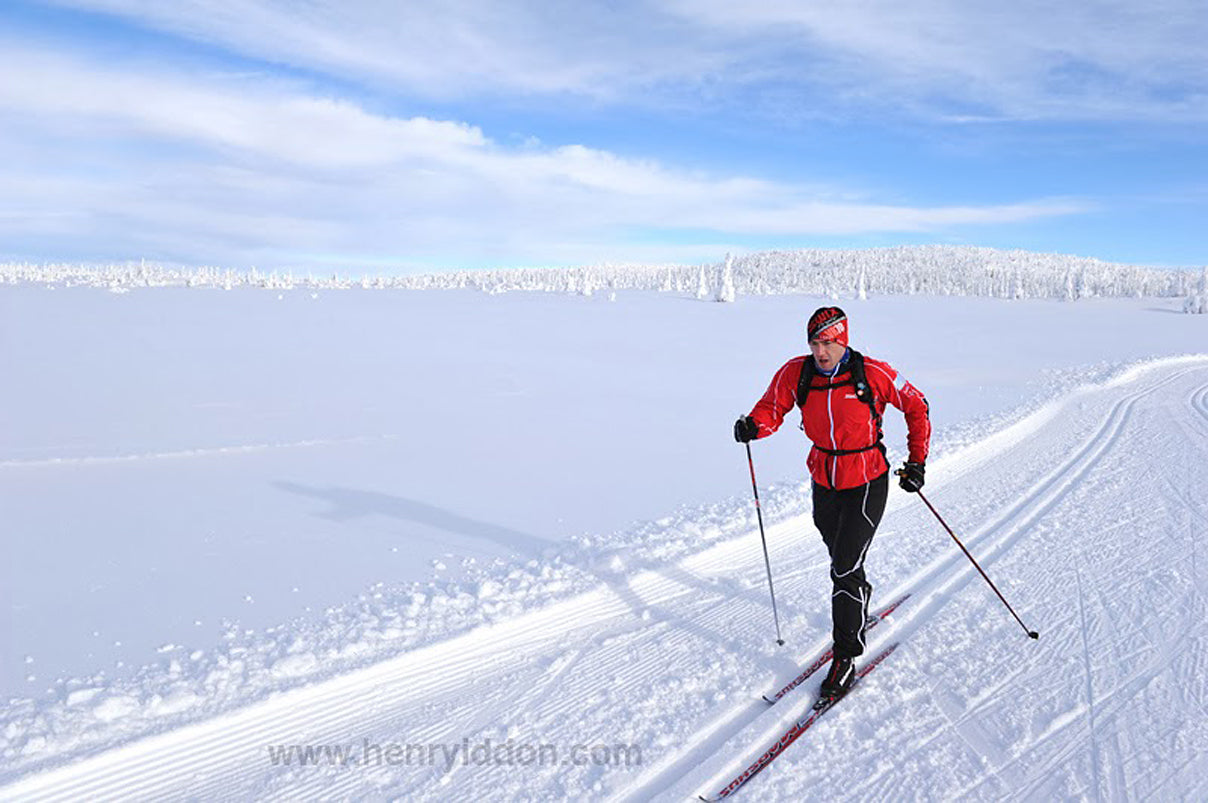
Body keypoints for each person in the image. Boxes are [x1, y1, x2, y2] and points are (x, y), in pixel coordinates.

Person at [734, 306, 931, 700]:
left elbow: (917, 405)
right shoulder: (798, 372)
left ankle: (845, 655)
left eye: (828, 342)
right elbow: (774, 407)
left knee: (843, 568)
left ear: (843, 341)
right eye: (815, 343)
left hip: (866, 479)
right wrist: (754, 425)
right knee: (841, 558)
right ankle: (857, 593)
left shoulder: (871, 373)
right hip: (824, 478)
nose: (821, 351)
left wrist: (916, 462)